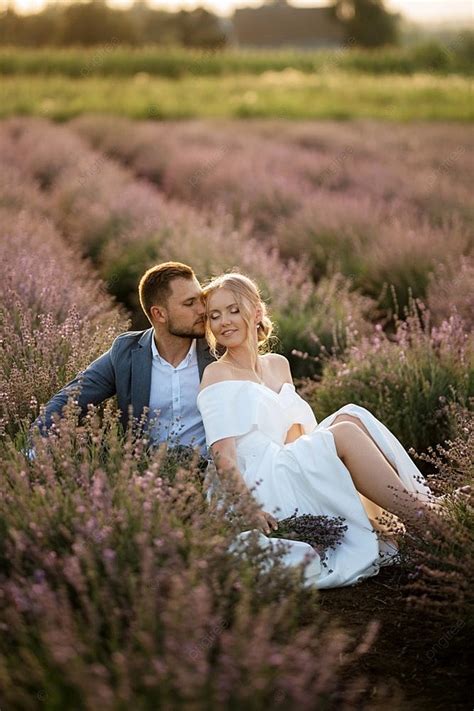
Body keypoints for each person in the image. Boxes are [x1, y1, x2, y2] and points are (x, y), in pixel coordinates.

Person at [196, 272, 445, 589]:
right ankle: (425, 524)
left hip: (286, 464)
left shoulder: (278, 364)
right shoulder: (217, 375)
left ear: (256, 312)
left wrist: (319, 469)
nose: (224, 322)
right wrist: (248, 507)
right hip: (257, 481)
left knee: (351, 417)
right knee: (343, 434)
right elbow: (223, 456)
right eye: (214, 316)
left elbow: (295, 435)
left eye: (233, 309)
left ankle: (411, 514)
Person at [29, 262, 215, 460]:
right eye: (189, 303)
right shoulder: (126, 353)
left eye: (201, 299)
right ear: (159, 314)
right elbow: (68, 400)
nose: (202, 310)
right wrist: (34, 449)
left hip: (209, 477)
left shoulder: (217, 350)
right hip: (147, 477)